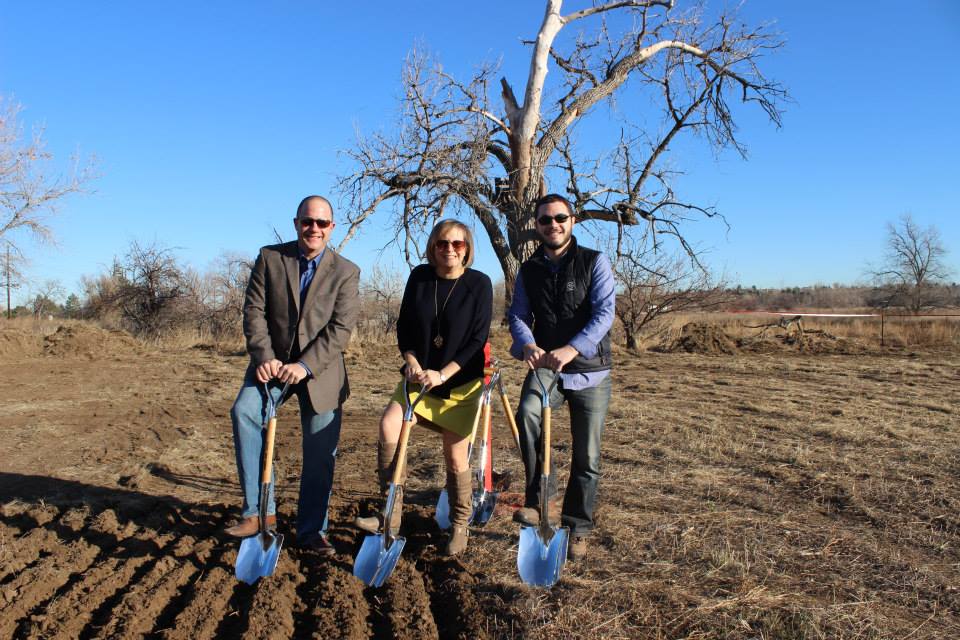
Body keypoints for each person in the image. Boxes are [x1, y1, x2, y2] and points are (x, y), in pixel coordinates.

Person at [224, 195, 360, 557]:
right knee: (244, 412)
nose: (313, 229)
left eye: (321, 223)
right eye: (307, 221)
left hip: (320, 372)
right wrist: (264, 356)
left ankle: (313, 529)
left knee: (319, 452)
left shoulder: (346, 271)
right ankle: (258, 514)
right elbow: (254, 311)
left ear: (331, 228)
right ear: (296, 222)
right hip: (272, 366)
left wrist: (305, 366)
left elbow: (341, 328)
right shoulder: (270, 258)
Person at [354, 219, 492, 556]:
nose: (449, 250)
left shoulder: (480, 284)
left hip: (460, 383)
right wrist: (412, 362)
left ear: (467, 249)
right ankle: (390, 515)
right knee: (389, 423)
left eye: (457, 244)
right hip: (419, 379)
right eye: (442, 243)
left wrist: (443, 373)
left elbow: (477, 340)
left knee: (455, 455)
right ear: (432, 246)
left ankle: (460, 523)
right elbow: (405, 326)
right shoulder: (419, 277)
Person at [508, 193, 615, 562]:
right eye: (544, 220)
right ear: (536, 226)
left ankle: (578, 525)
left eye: (560, 218)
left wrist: (573, 348)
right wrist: (527, 345)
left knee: (587, 455)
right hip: (546, 368)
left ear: (572, 221)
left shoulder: (594, 262)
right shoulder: (529, 269)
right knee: (528, 413)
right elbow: (518, 315)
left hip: (589, 371)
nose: (552, 225)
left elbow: (604, 314)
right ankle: (541, 502)